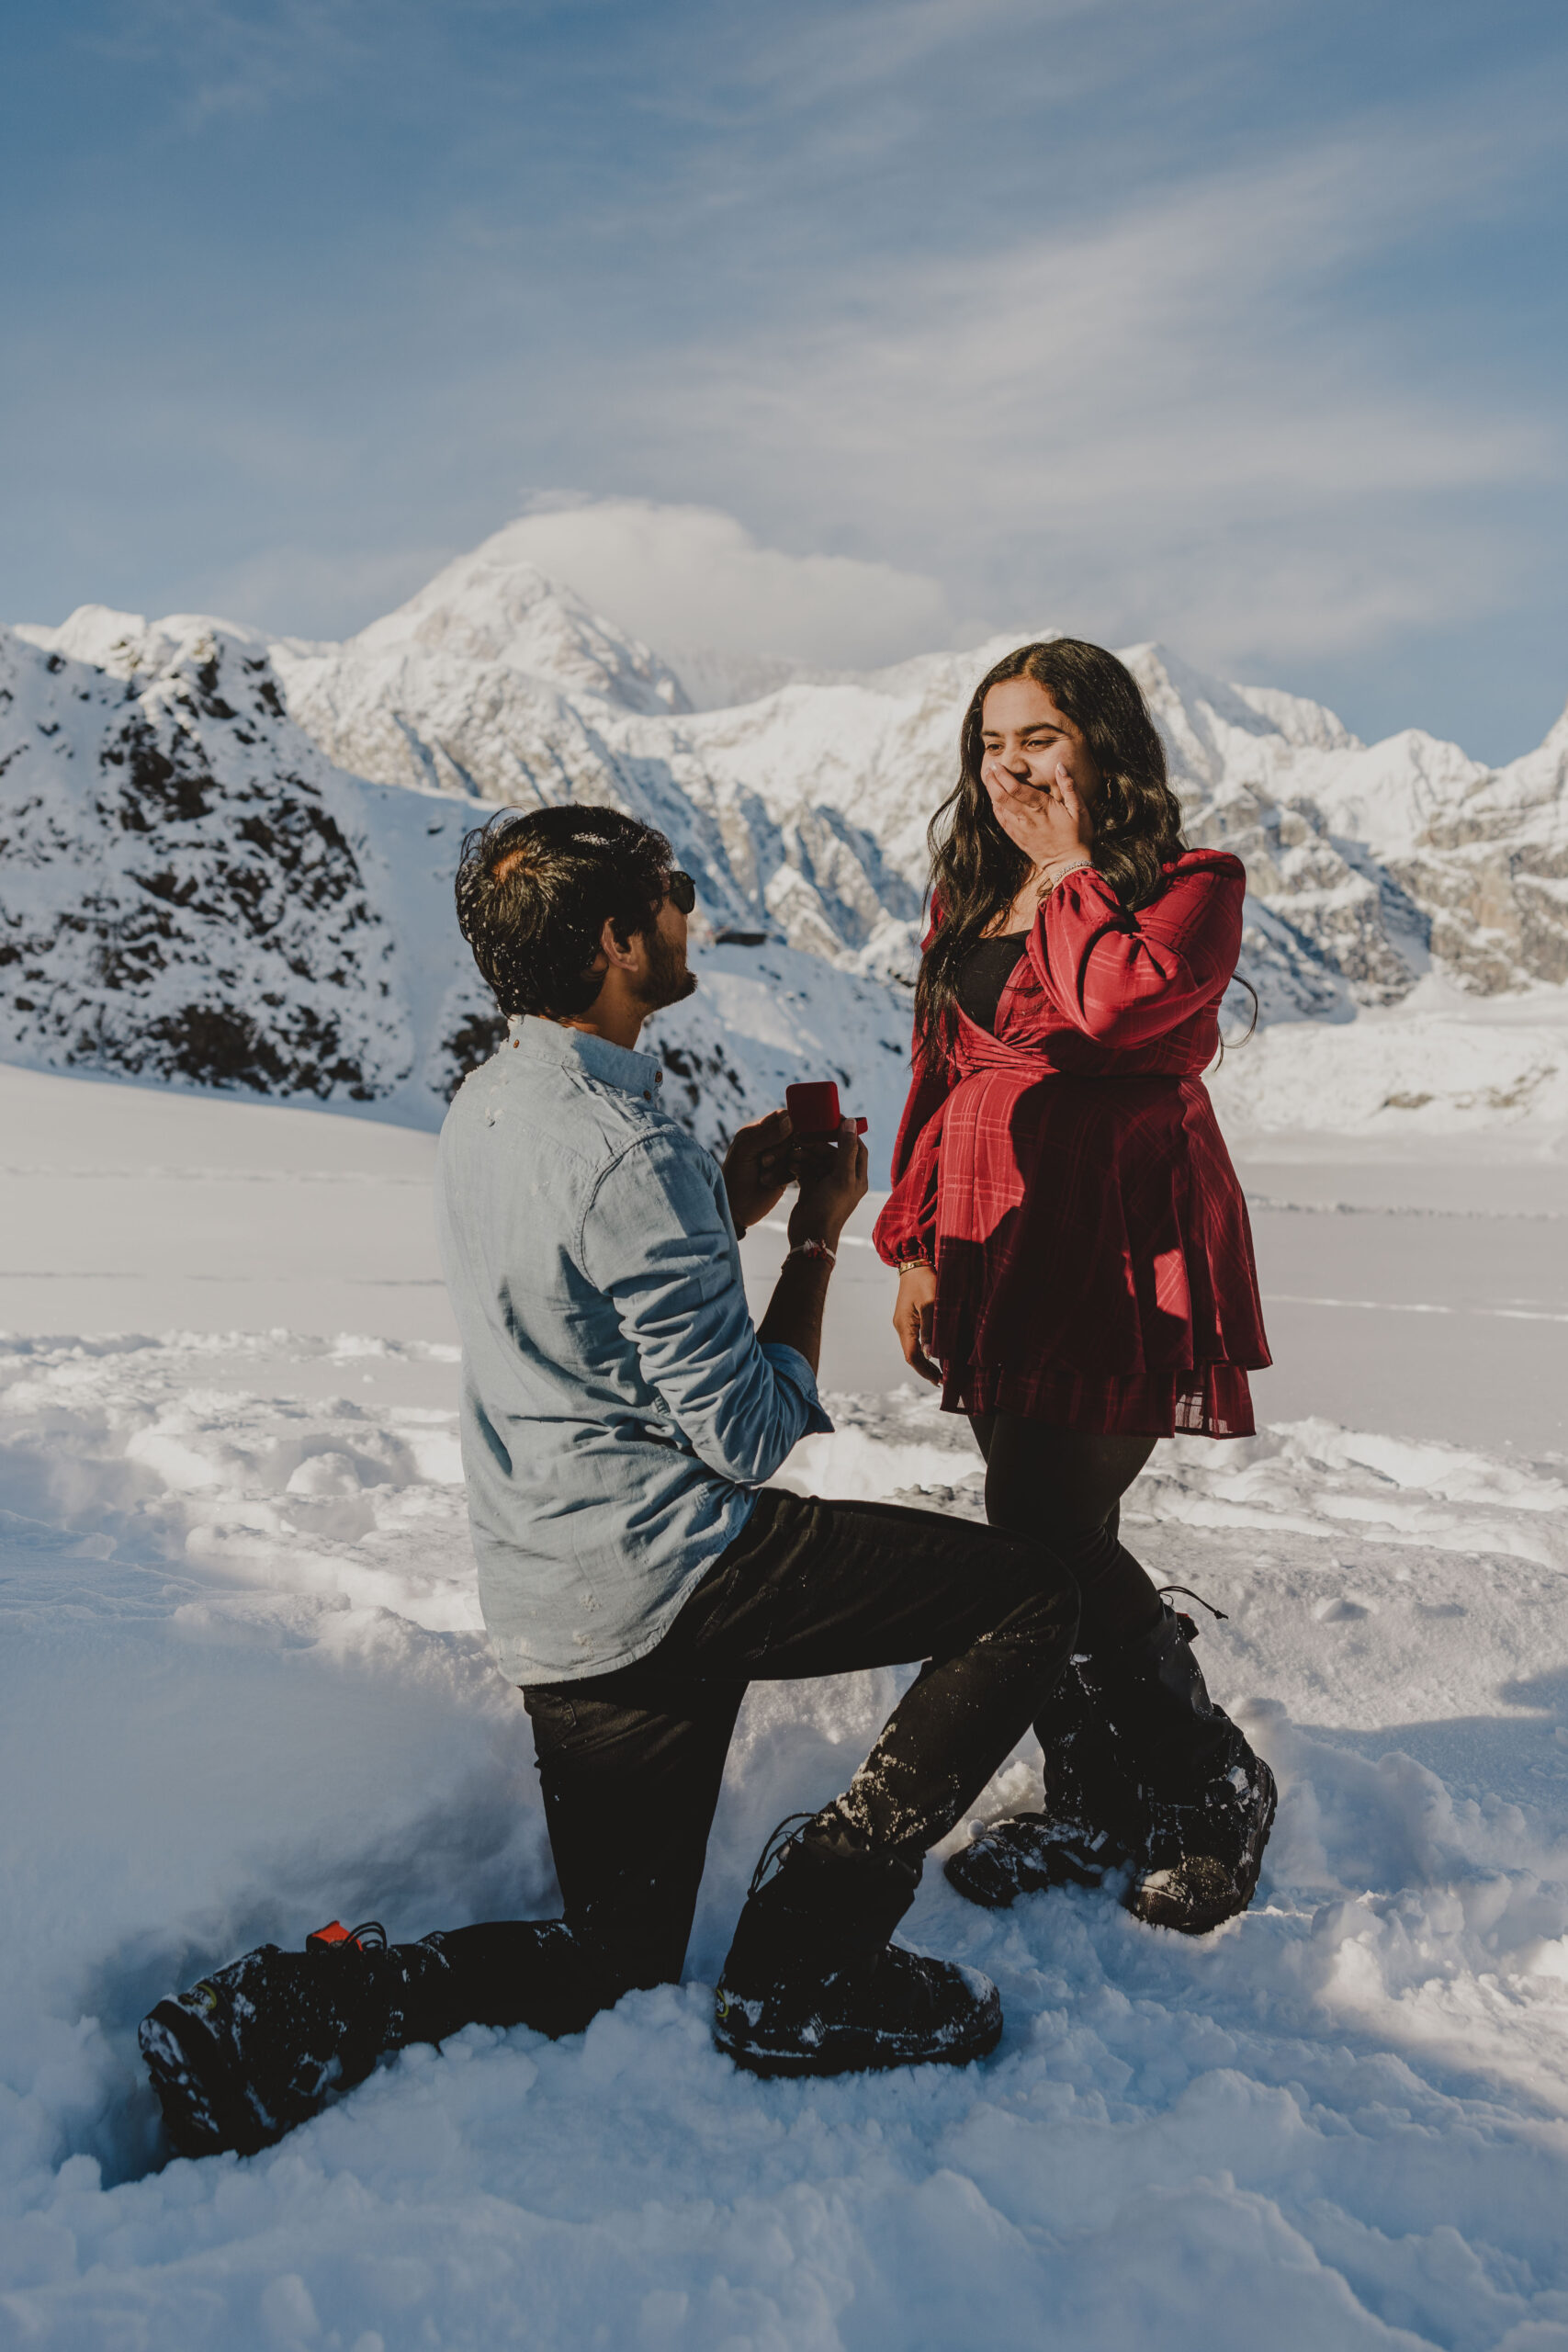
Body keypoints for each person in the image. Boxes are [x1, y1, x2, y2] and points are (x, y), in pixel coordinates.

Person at [140, 802, 1084, 2160]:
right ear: (614, 939)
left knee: (611, 1959)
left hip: (560, 1597)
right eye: (676, 890)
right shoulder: (627, 1149)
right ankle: (814, 1948)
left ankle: (320, 2004)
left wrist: (721, 1205)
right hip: (683, 1565)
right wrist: (815, 1240)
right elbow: (749, 1434)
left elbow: (588, 1298)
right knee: (1024, 1601)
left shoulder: (492, 1102)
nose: (693, 909)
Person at [874, 640, 1277, 1934]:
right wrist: (919, 1240)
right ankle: (1098, 1792)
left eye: (1039, 738)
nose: (1009, 767)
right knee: (1024, 1523)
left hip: (1117, 1239)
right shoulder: (972, 895)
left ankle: (1208, 1783)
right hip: (997, 1233)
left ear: (1105, 744)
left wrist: (1068, 873)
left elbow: (1111, 1016)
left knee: (1051, 1522)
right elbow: (942, 1071)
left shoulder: (1189, 890)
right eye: (991, 745)